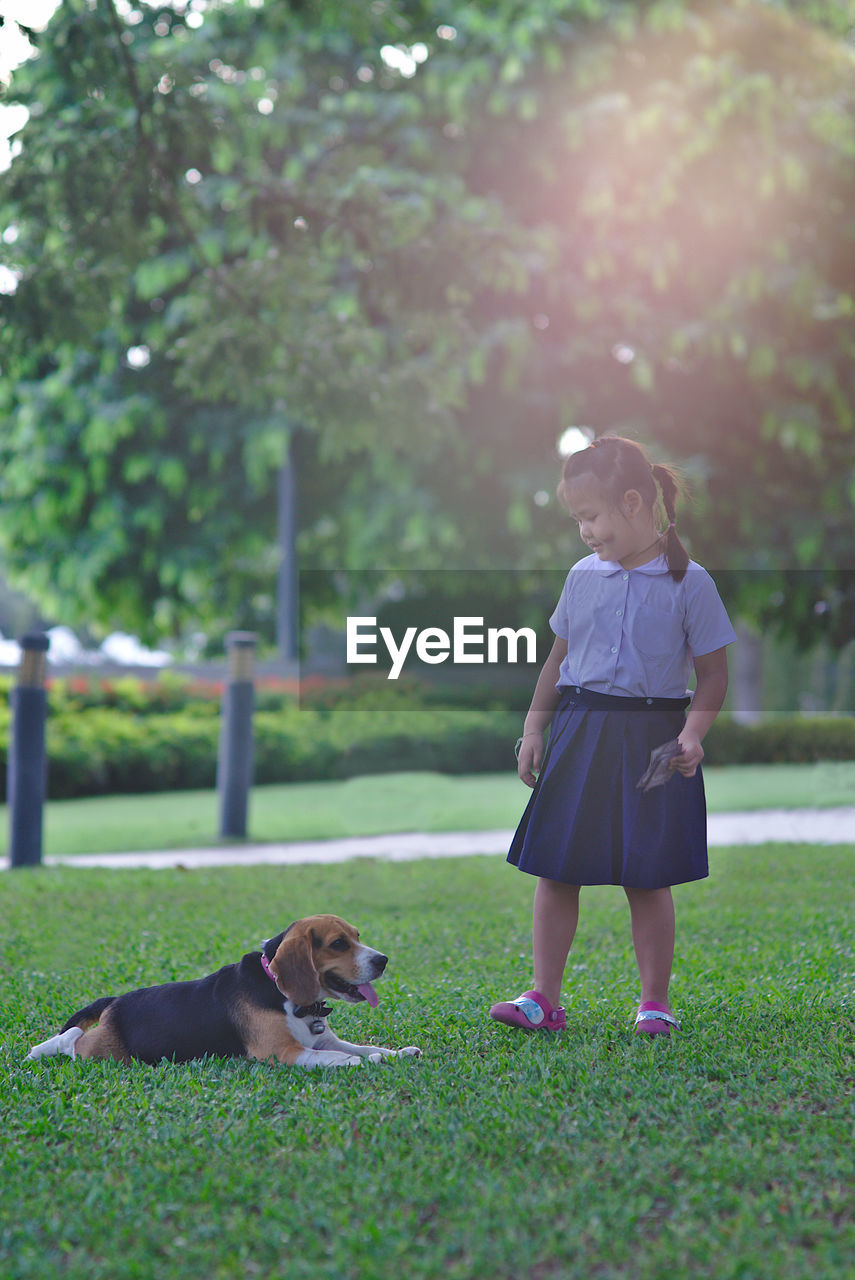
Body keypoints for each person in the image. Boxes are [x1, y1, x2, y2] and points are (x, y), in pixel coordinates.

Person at [490, 435, 736, 1037]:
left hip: (655, 737)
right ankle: (543, 997)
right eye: (578, 519)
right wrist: (533, 730)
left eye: (590, 516)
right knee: (557, 866)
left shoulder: (690, 582)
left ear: (633, 503)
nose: (585, 532)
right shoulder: (582, 577)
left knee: (646, 872)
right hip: (581, 728)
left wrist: (694, 735)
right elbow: (557, 661)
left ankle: (655, 1002)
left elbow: (712, 675)